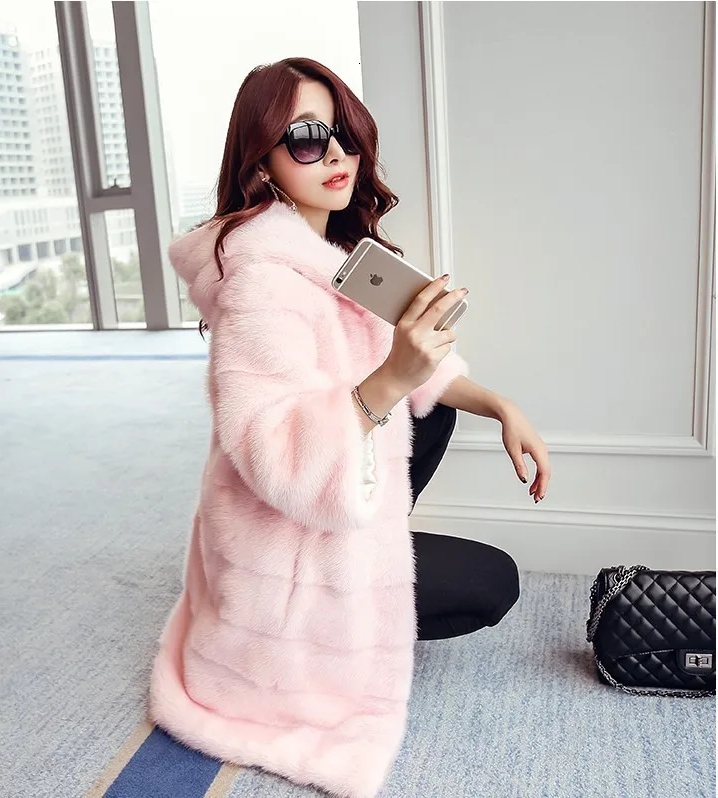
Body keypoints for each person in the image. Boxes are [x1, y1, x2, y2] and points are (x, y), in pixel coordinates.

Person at [148, 57, 551, 798]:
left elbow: (424, 381)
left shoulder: (340, 262)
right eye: (306, 138)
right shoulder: (261, 284)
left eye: (345, 134)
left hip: (324, 502)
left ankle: (372, 542)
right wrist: (393, 374)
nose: (335, 153)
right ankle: (304, 638)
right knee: (490, 581)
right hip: (280, 553)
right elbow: (275, 455)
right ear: (262, 161)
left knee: (435, 408)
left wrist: (500, 404)